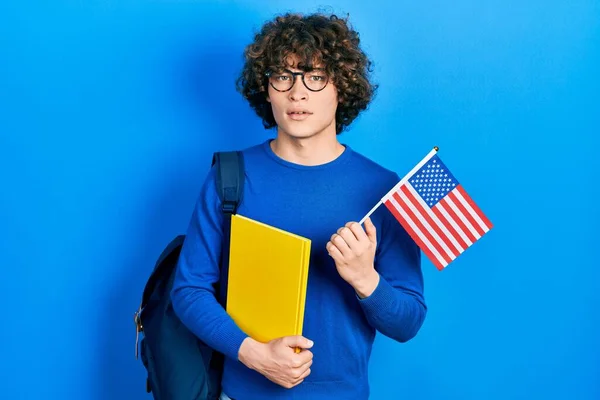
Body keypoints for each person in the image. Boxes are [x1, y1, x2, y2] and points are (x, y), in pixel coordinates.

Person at [171, 12, 427, 400]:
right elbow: (189, 290)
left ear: (342, 87)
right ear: (267, 88)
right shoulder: (230, 176)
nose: (298, 92)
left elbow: (408, 321)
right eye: (283, 77)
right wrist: (254, 355)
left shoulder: (382, 188)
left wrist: (364, 278)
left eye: (315, 76)